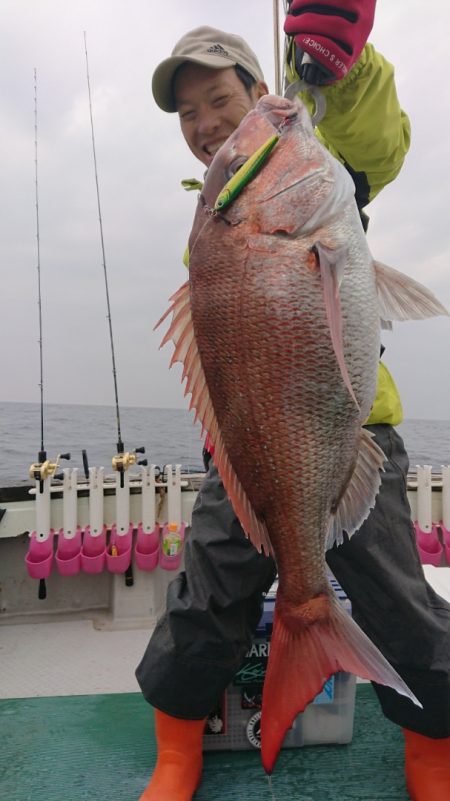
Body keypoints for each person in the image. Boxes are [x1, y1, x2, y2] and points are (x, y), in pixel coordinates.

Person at [136, 6, 450, 801]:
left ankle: (434, 754)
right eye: (188, 113)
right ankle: (176, 751)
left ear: (260, 91)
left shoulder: (320, 162)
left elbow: (374, 142)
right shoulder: (221, 217)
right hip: (249, 450)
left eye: (220, 99)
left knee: (401, 602)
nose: (205, 123)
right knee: (205, 595)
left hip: (354, 431)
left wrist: (343, 68)